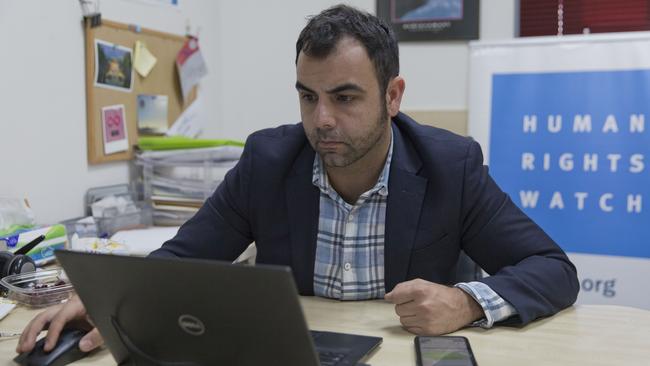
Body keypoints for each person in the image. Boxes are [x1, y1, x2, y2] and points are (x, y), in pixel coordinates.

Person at [17, 4, 579, 355]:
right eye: (308, 97)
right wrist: (106, 298)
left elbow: (553, 270)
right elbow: (185, 258)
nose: (321, 120)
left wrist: (467, 302)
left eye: (345, 97)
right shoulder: (269, 160)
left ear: (393, 96)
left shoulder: (450, 165)